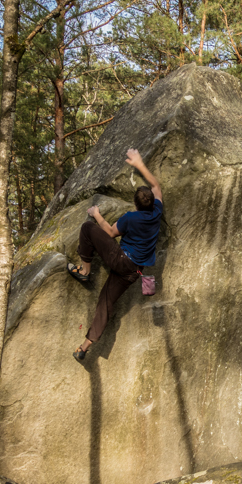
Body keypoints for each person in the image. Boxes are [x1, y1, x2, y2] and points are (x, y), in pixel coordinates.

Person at [68, 148, 162, 361]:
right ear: (152, 203)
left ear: (136, 204)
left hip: (120, 259)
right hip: (134, 272)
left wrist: (96, 214)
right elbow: (156, 186)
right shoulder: (157, 213)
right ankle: (83, 347)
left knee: (87, 228)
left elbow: (109, 232)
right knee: (106, 303)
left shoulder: (131, 218)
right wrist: (139, 163)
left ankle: (84, 271)